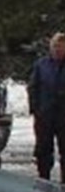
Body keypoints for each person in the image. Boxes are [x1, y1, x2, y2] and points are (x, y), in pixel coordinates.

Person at [28, 32, 65, 182]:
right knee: (43, 150)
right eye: (55, 47)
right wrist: (35, 109)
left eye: (61, 47)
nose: (58, 50)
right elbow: (33, 87)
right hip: (44, 114)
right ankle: (44, 179)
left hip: (64, 116)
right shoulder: (41, 65)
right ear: (51, 48)